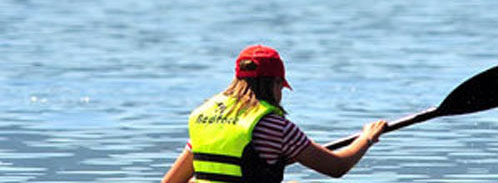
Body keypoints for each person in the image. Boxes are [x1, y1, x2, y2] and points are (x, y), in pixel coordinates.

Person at [161, 45, 387, 183]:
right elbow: (337, 167)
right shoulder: (275, 127)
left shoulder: (204, 118)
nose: (280, 93)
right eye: (280, 87)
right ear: (274, 83)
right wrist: (366, 138)